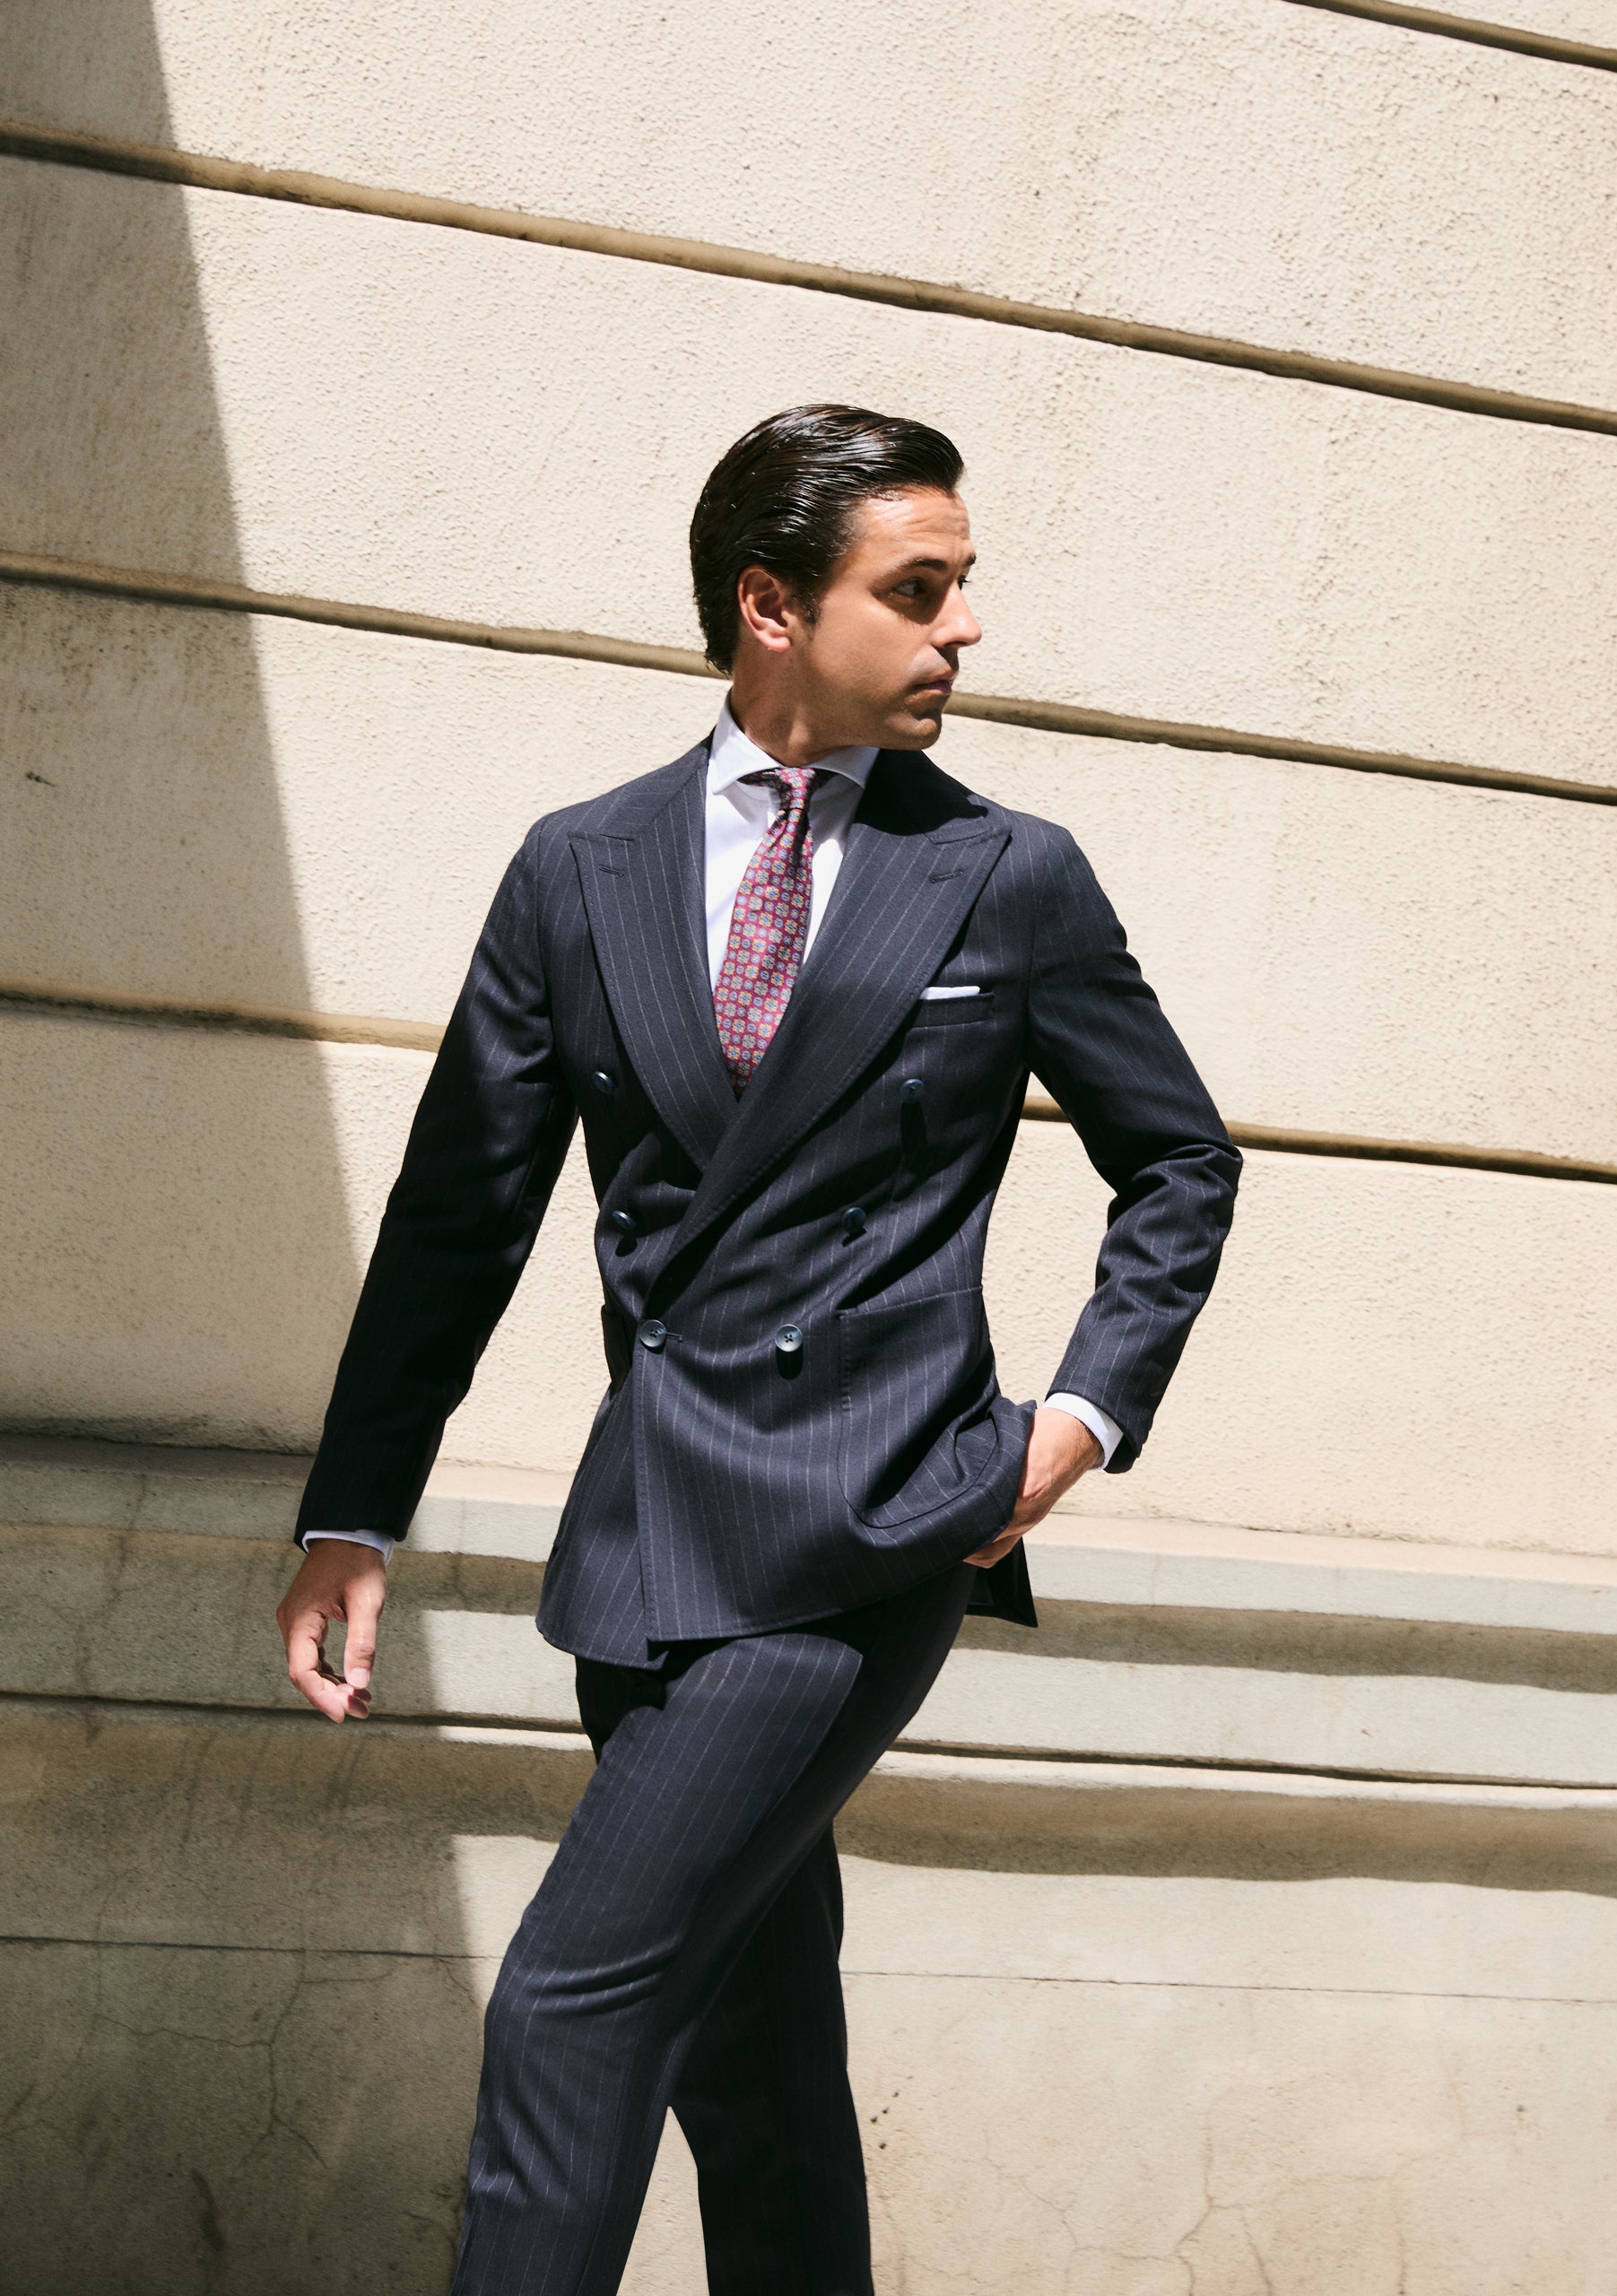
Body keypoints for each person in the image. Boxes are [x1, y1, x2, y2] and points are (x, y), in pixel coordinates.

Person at [274, 403, 1240, 2295]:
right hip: (649, 1548)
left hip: (869, 1529)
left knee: (569, 1997)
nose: (965, 628)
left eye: (962, 586)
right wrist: (353, 1512)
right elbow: (459, 1219)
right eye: (920, 590)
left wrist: (1079, 1414)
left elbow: (1179, 1159)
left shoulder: (1006, 872)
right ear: (771, 606)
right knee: (755, 2053)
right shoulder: (581, 867)